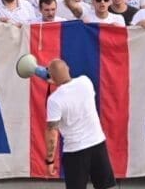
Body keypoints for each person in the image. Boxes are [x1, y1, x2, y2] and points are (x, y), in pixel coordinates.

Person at [44, 59, 116, 189]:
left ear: (52, 79)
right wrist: (57, 81)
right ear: (68, 68)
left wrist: (50, 160)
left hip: (75, 152)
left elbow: (52, 133)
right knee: (105, 186)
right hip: (97, 144)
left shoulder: (54, 100)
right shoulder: (85, 82)